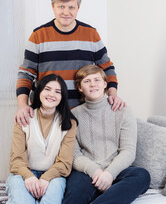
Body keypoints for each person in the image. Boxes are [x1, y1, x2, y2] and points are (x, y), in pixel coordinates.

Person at [15, 0, 125, 127]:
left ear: (78, 8)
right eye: (61, 7)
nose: (66, 12)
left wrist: (112, 94)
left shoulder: (91, 34)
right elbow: (26, 74)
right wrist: (22, 105)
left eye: (71, 7)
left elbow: (107, 68)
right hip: (46, 113)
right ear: (53, 6)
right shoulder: (38, 36)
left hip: (84, 113)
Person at [62, 65, 150, 204]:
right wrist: (96, 172)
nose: (93, 84)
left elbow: (128, 151)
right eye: (87, 81)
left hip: (117, 170)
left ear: (105, 84)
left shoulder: (124, 111)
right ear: (80, 88)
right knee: (74, 195)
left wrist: (109, 174)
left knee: (142, 176)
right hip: (88, 171)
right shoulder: (73, 116)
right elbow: (74, 155)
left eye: (97, 80)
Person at [6, 74, 77, 204]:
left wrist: (45, 178)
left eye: (57, 92)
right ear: (39, 91)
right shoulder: (24, 118)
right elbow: (16, 160)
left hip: (54, 176)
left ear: (62, 97)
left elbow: (65, 163)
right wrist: (29, 177)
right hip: (22, 174)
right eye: (47, 89)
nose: (51, 94)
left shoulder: (69, 123)